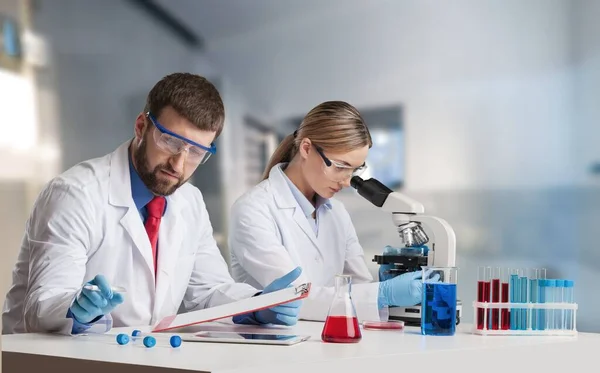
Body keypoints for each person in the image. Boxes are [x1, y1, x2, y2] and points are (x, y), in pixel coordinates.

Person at [2, 73, 301, 335]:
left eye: (196, 152)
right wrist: (76, 311)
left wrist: (258, 304)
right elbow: (41, 305)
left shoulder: (190, 202)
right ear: (142, 126)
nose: (179, 164)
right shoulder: (75, 194)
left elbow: (207, 292)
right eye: (171, 141)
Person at [228, 101, 428, 322]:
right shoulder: (253, 209)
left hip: (334, 346)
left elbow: (360, 289)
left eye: (355, 169)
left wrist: (383, 288)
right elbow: (294, 297)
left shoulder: (337, 213)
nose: (345, 181)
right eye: (340, 166)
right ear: (306, 148)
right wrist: (383, 293)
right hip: (274, 346)